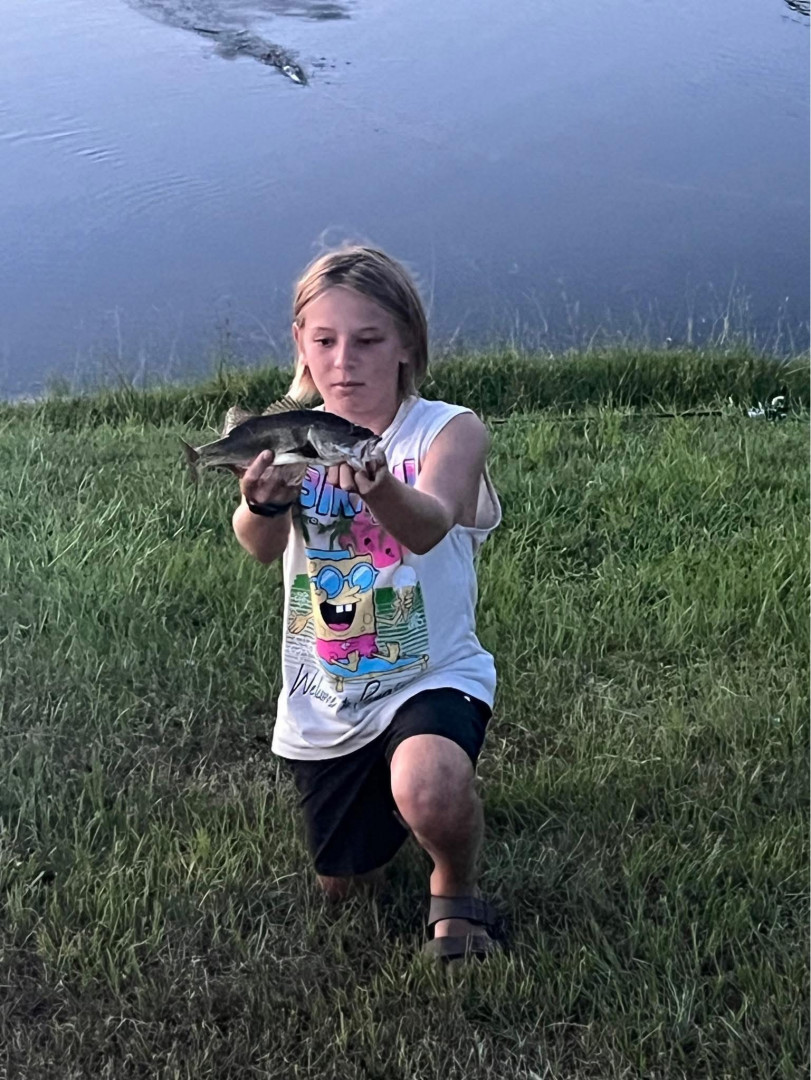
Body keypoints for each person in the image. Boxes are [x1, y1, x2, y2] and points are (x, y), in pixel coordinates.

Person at [232, 246, 503, 961]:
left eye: (369, 340)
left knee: (429, 785)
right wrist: (262, 503)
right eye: (324, 341)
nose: (344, 361)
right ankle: (391, 807)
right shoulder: (294, 435)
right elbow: (257, 546)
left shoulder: (449, 430)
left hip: (430, 672)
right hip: (329, 691)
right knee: (344, 887)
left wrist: (378, 485)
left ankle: (453, 882)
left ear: (407, 342)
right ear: (301, 344)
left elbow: (429, 524)